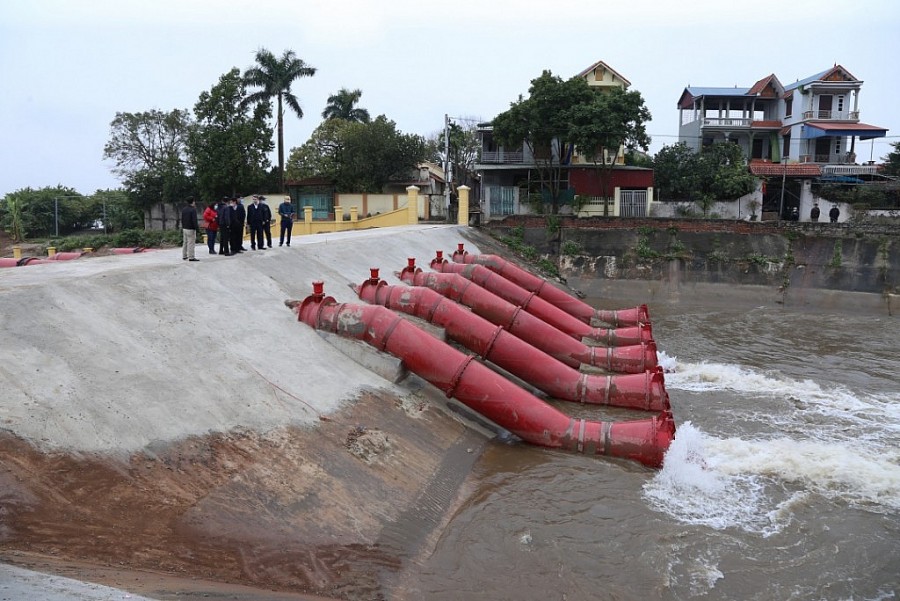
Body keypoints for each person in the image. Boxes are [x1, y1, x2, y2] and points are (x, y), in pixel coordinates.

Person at [181, 197, 200, 261]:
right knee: (191, 243)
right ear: (193, 202)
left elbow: (182, 219)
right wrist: (197, 229)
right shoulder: (193, 210)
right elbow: (194, 220)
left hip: (184, 228)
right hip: (191, 229)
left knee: (185, 242)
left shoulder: (184, 209)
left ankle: (184, 255)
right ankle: (191, 257)